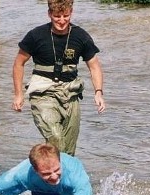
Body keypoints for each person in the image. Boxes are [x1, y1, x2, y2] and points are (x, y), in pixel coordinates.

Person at [12, 0, 106, 156]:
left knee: (68, 151)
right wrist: (18, 94)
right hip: (43, 92)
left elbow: (94, 66)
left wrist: (98, 92)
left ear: (71, 13)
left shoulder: (81, 36)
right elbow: (18, 64)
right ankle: (46, 172)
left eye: (65, 16)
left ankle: (55, 177)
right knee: (56, 139)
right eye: (57, 16)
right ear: (50, 14)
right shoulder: (35, 35)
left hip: (71, 93)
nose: (62, 21)